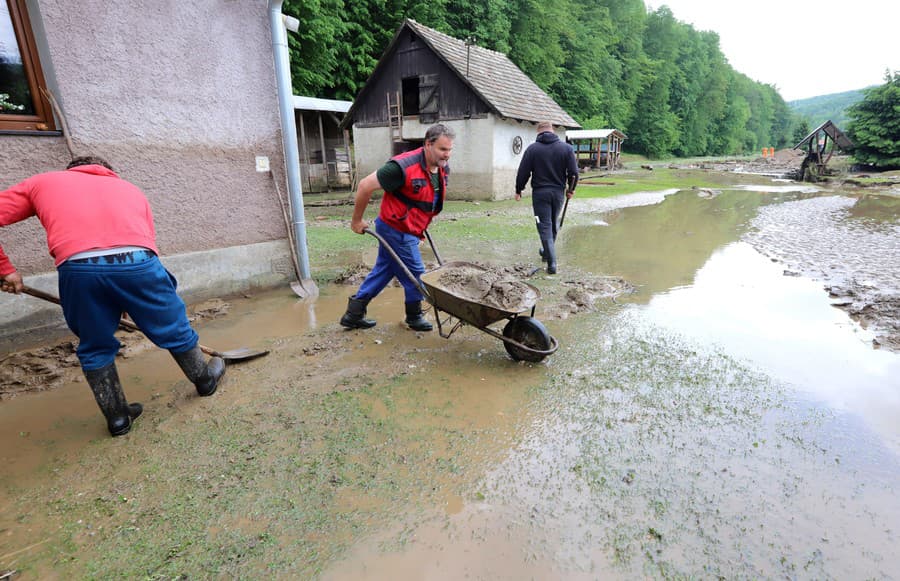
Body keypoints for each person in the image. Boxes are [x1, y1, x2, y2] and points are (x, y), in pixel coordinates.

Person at [0, 156, 225, 437]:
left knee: (94, 345)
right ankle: (204, 381)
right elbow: (146, 244)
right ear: (108, 172)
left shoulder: (43, 182)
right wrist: (131, 297)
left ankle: (118, 418)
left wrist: (5, 270)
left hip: (78, 268)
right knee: (174, 325)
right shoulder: (131, 189)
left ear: (72, 170)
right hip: (139, 263)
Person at [339, 124, 455, 331]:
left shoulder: (441, 168)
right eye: (443, 149)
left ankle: (353, 313)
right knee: (416, 273)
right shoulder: (401, 167)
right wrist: (356, 221)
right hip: (395, 228)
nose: (447, 155)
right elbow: (365, 185)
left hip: (410, 228)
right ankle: (414, 316)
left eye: (450, 149)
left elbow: (424, 201)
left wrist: (419, 229)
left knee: (385, 270)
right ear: (428, 144)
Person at [515, 121, 578, 274]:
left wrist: (519, 189)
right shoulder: (567, 148)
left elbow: (523, 172)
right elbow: (574, 173)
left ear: (539, 133)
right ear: (553, 131)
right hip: (558, 193)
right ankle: (546, 252)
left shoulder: (532, 149)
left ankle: (552, 263)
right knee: (552, 222)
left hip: (540, 194)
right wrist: (571, 189)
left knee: (544, 226)